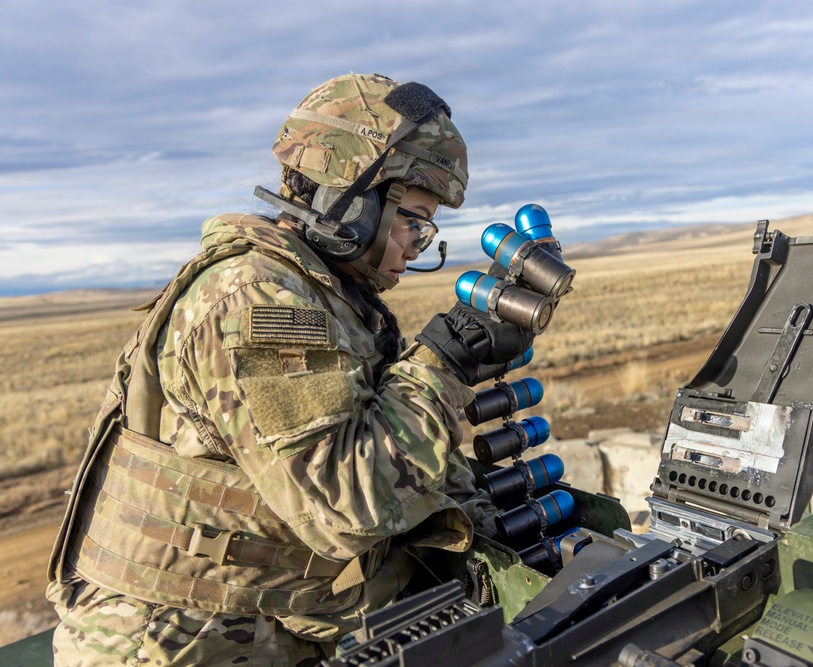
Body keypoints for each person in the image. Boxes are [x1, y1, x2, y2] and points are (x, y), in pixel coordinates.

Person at [46, 73, 534, 666]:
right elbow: (345, 506)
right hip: (182, 644)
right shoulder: (256, 300)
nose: (416, 245)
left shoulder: (325, 296)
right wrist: (442, 364)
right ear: (351, 200)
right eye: (413, 219)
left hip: (262, 626)